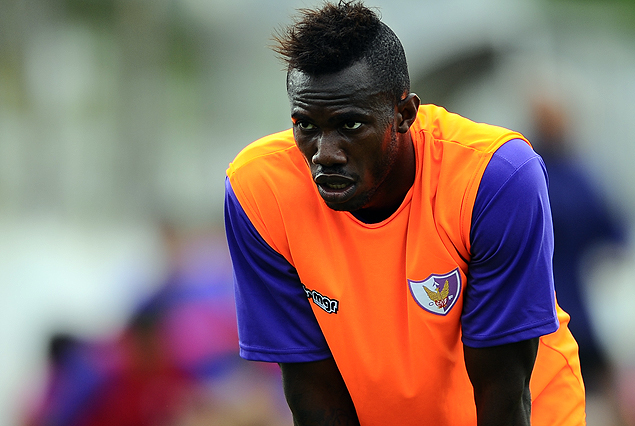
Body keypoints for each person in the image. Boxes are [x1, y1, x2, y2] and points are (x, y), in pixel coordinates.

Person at [224, 1, 586, 425]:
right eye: (306, 125)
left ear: (404, 115)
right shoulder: (259, 190)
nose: (325, 154)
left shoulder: (494, 177)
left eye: (350, 125)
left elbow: (503, 395)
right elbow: (312, 393)